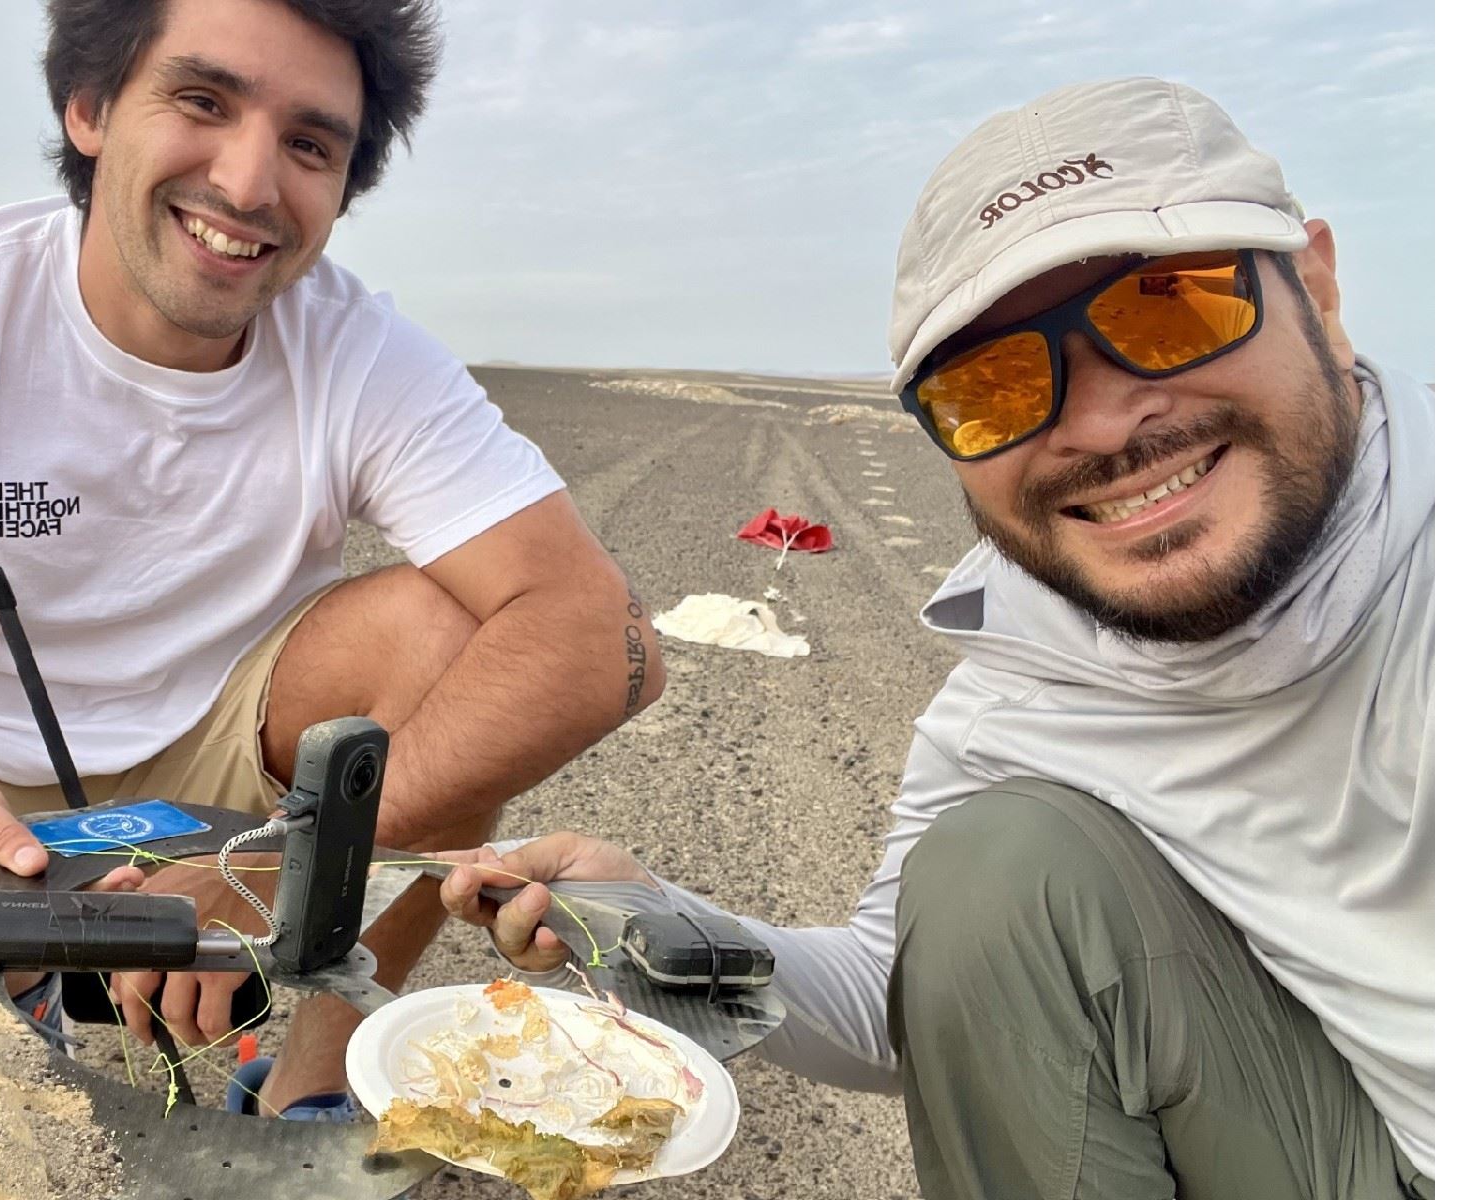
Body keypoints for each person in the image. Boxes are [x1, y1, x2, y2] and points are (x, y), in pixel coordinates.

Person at [0, 1, 666, 1196]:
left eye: (310, 144)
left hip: (225, 757)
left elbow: (602, 639)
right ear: (87, 109)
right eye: (202, 102)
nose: (249, 182)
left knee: (456, 638)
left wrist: (270, 872)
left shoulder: (357, 348)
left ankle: (311, 1085)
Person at [439, 77, 1433, 1199]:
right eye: (999, 385)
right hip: (1336, 1137)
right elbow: (902, 994)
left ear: (1318, 287)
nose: (1104, 421)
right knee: (994, 876)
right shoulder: (1025, 674)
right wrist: (650, 921)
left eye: (1171, 307)